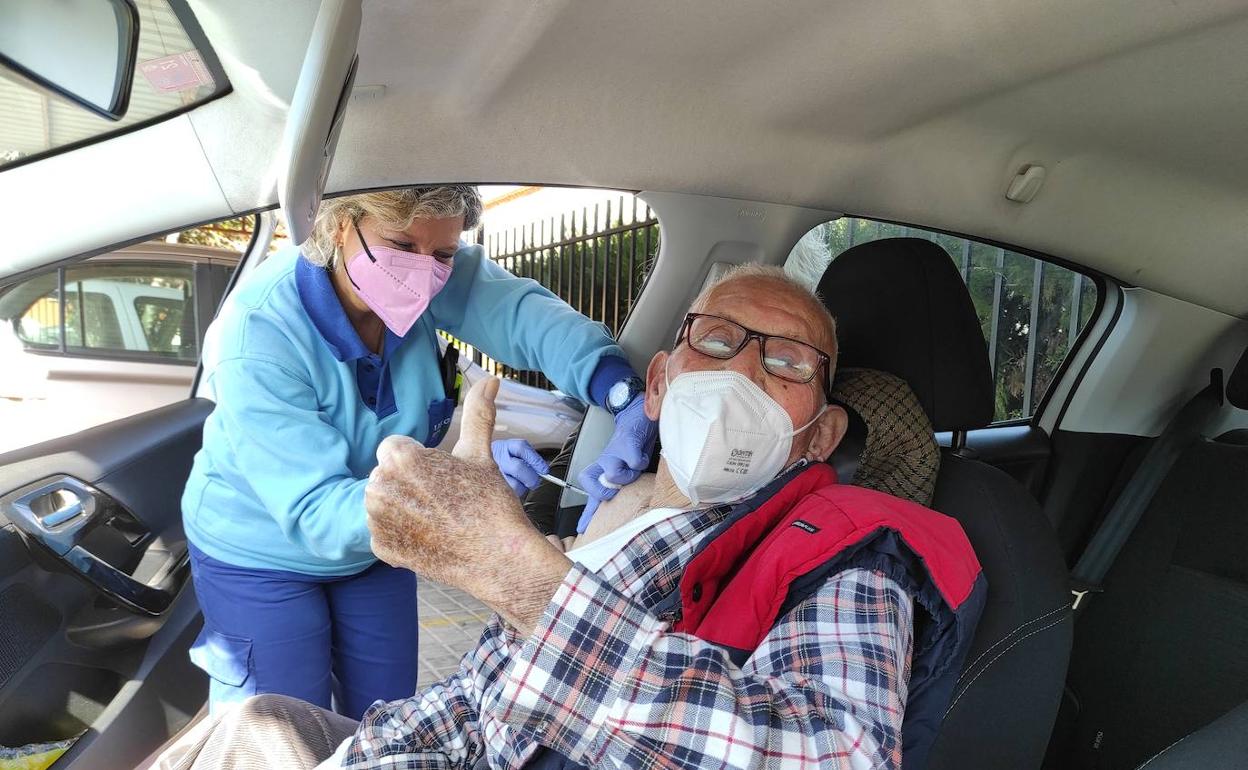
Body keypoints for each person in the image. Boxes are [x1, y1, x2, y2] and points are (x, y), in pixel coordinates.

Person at [159, 265, 984, 770]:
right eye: (720, 338)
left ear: (823, 434)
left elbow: (831, 758)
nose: (745, 371)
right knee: (244, 725)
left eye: (790, 360)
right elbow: (480, 706)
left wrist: (514, 575)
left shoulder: (850, 548)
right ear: (660, 383)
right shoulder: (624, 515)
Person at [181, 186, 656, 720]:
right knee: (280, 730)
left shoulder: (430, 271)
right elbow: (313, 510)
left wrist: (623, 394)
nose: (423, 270)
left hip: (381, 546)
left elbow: (525, 318)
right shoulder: (258, 333)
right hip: (259, 555)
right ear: (340, 226)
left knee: (387, 717)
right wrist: (447, 486)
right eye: (402, 245)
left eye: (444, 254)